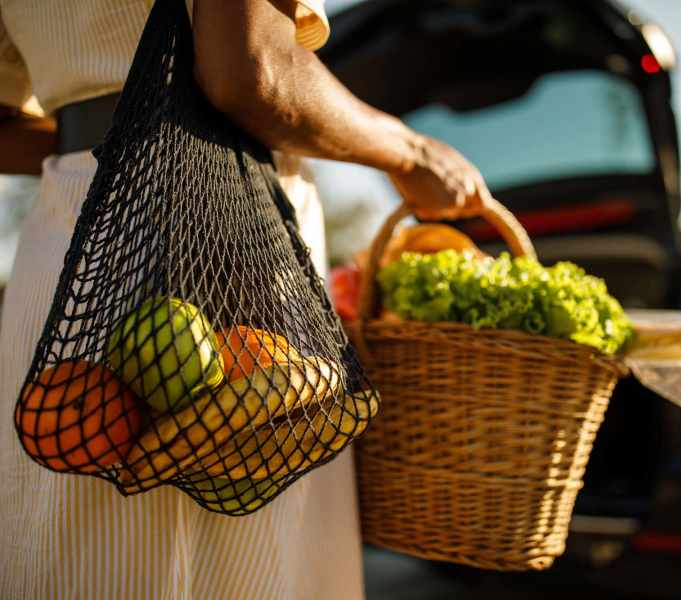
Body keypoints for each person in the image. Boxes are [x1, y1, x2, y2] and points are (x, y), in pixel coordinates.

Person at [0, 1, 490, 598]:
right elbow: (255, 72)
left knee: (77, 558)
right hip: (229, 237)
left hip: (75, 243)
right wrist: (413, 152)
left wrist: (111, 121)